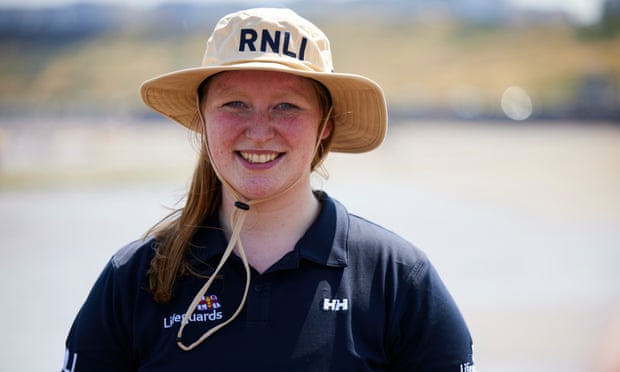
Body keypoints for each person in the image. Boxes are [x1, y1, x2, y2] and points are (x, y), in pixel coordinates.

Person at [63, 8, 475, 371]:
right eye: (234, 104)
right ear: (202, 121)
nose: (259, 131)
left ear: (324, 125)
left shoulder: (397, 279)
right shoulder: (134, 279)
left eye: (287, 106)